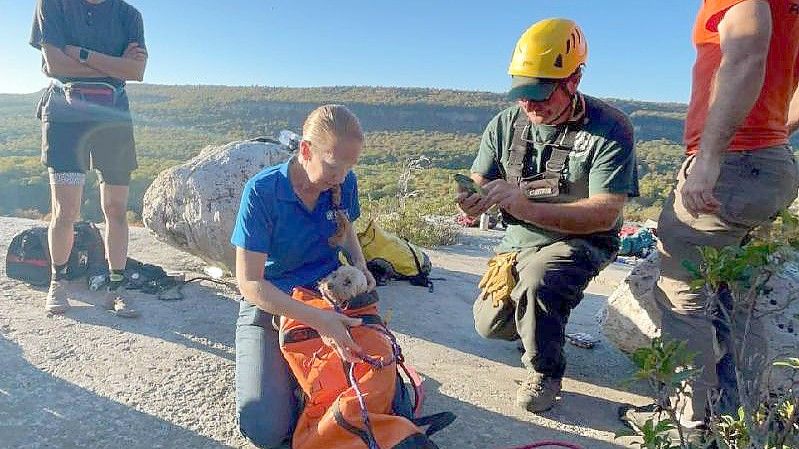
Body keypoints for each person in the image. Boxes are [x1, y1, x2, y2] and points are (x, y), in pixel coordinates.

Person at [624, 0, 799, 431]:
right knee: (744, 299)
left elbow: (745, 54)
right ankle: (751, 416)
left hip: (733, 165)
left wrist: (709, 158)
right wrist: (775, 131)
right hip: (771, 164)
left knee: (684, 301)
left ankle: (689, 422)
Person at [459, 18, 639, 413]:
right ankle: (537, 325)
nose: (530, 105)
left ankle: (545, 370)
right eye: (522, 94)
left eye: (541, 94)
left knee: (540, 282)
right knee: (489, 327)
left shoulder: (609, 128)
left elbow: (604, 214)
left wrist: (522, 205)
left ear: (573, 80)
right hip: (519, 241)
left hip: (582, 240)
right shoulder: (506, 123)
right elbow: (481, 174)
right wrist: (473, 195)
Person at [231, 105, 377, 448]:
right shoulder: (263, 192)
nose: (340, 177)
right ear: (306, 150)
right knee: (264, 428)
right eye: (332, 166)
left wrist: (360, 264)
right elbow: (250, 282)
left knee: (369, 400)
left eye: (349, 168)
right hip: (273, 301)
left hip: (328, 295)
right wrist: (317, 319)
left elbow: (346, 225)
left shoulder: (344, 183)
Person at [29, 0, 148, 317]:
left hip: (113, 120)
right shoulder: (53, 5)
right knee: (65, 209)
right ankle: (59, 282)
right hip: (65, 121)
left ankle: (117, 288)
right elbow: (54, 64)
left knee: (116, 209)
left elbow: (136, 71)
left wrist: (79, 54)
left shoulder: (128, 16)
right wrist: (113, 65)